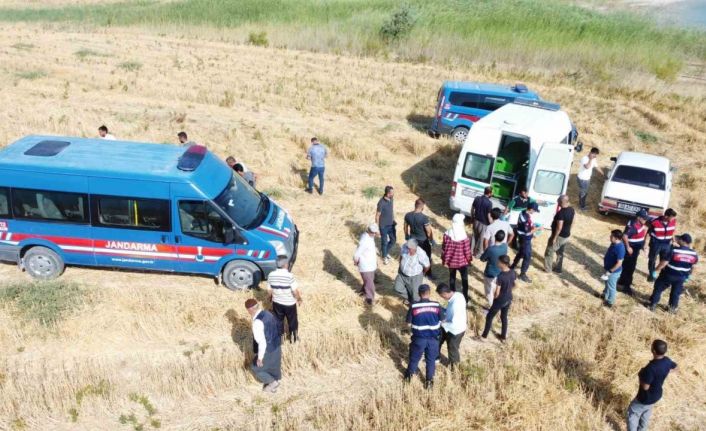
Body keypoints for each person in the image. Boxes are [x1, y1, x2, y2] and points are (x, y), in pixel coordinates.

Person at [626, 339, 678, 431]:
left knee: (632, 413)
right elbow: (676, 368)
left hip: (645, 398)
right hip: (656, 395)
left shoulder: (650, 368)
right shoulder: (667, 361)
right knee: (646, 413)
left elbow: (645, 387)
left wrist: (640, 375)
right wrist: (665, 372)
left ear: (653, 351)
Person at [403, 284, 443, 389]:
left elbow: (407, 324)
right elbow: (443, 320)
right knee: (430, 361)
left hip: (418, 339)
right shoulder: (437, 305)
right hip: (433, 339)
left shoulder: (414, 306)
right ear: (429, 293)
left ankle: (408, 378)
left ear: (418, 294)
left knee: (414, 359)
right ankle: (429, 382)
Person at [648, 234, 698, 314]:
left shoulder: (674, 251)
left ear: (682, 240)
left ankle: (653, 304)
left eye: (679, 239)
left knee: (658, 288)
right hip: (681, 277)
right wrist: (689, 275)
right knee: (676, 293)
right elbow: (693, 266)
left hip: (668, 274)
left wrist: (655, 270)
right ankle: (672, 309)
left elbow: (664, 263)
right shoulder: (694, 254)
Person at [245, 298, 282, 393]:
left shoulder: (257, 322)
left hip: (268, 349)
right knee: (273, 365)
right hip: (277, 345)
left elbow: (262, 342)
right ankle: (275, 380)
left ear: (250, 310)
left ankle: (272, 382)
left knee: (256, 368)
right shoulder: (268, 313)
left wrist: (260, 358)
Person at [266, 256, 301, 343]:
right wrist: (299, 299)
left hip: (277, 303)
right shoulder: (289, 276)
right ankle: (294, 339)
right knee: (292, 321)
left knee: (278, 321)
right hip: (289, 304)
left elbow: (269, 290)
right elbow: (295, 291)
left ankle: (280, 339)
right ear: (285, 264)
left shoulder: (271, 275)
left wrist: (270, 298)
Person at [480, 255, 515, 342]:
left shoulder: (500, 276)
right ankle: (503, 337)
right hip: (509, 297)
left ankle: (484, 337)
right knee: (504, 317)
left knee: (489, 317)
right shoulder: (512, 272)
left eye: (499, 262)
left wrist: (495, 298)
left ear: (503, 264)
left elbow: (497, 292)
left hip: (500, 300)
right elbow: (514, 285)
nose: (497, 263)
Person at [441, 213, 472, 302]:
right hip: (462, 263)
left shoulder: (447, 234)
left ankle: (452, 296)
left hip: (451, 262)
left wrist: (444, 259)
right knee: (464, 280)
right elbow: (467, 251)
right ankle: (465, 297)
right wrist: (469, 260)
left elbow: (444, 247)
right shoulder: (464, 236)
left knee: (452, 278)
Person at [618, 210, 649, 296]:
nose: (645, 220)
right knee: (630, 268)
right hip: (632, 249)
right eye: (644, 219)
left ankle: (622, 281)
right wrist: (628, 247)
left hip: (636, 248)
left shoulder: (639, 223)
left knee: (626, 265)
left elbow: (643, 231)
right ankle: (626, 287)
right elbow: (624, 236)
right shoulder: (633, 226)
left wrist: (644, 245)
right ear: (638, 218)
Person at [437, 283, 466, 368]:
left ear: (444, 294)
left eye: (442, 296)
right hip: (450, 326)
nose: (442, 298)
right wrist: (442, 309)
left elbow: (454, 323)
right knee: (438, 340)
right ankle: (435, 357)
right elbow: (449, 313)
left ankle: (455, 368)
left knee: (452, 349)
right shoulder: (458, 295)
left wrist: (442, 323)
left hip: (455, 330)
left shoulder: (455, 305)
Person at [404, 198, 435, 278]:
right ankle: (428, 274)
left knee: (412, 256)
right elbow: (428, 231)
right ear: (422, 207)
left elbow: (405, 227)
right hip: (423, 240)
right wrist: (431, 240)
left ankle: (414, 271)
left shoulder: (408, 215)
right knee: (427, 257)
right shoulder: (424, 218)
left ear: (415, 205)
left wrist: (406, 236)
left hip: (412, 239)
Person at [544, 194, 575, 274]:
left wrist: (554, 238)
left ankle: (548, 269)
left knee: (549, 251)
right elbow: (573, 221)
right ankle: (558, 269)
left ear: (561, 202)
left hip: (559, 236)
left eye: (558, 201)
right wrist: (569, 230)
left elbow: (559, 227)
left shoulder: (561, 213)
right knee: (560, 252)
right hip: (566, 236)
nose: (557, 202)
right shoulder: (571, 209)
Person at [394, 239, 430, 304]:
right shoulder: (405, 246)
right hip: (402, 274)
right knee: (397, 287)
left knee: (416, 296)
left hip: (415, 276)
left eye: (409, 248)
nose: (407, 249)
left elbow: (427, 266)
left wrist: (422, 273)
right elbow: (401, 256)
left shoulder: (421, 254)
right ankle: (409, 298)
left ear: (415, 248)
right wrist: (400, 267)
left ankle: (414, 306)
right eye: (407, 247)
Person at [511, 202, 540, 283]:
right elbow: (527, 232)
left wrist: (532, 226)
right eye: (534, 211)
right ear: (530, 209)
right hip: (525, 239)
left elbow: (527, 226)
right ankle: (522, 274)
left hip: (521, 237)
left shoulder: (523, 212)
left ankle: (513, 266)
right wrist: (538, 229)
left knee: (520, 253)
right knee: (527, 256)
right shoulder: (525, 219)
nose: (534, 212)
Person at [646, 208, 677, 282]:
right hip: (656, 244)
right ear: (666, 216)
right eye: (671, 217)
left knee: (664, 260)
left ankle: (661, 275)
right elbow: (648, 233)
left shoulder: (673, 221)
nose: (673, 219)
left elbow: (672, 231)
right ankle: (651, 274)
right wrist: (645, 244)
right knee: (652, 259)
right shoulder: (655, 222)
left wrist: (673, 240)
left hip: (667, 244)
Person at [480, 230, 508, 307]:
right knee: (497, 290)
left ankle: (491, 306)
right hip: (500, 272)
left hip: (490, 273)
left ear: (494, 236)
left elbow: (482, 259)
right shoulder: (505, 246)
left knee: (489, 292)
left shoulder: (490, 249)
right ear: (503, 238)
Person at [354, 223, 379, 305]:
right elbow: (357, 253)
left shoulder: (370, 237)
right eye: (374, 233)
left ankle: (362, 293)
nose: (375, 234)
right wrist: (356, 261)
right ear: (370, 231)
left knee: (368, 281)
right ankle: (369, 300)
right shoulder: (364, 240)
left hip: (371, 264)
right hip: (365, 266)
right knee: (370, 284)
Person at [599, 230, 626, 308]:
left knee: (611, 287)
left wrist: (610, 271)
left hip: (613, 272)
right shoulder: (613, 243)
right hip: (608, 269)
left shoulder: (620, 248)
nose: (610, 237)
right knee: (607, 284)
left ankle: (610, 302)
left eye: (611, 236)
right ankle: (605, 296)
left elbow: (619, 263)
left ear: (616, 238)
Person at [470, 187, 493, 257]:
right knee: (481, 239)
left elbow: (472, 209)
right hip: (483, 224)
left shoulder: (477, 198)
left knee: (474, 236)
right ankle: (477, 254)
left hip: (476, 221)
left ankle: (470, 251)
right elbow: (488, 215)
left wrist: (472, 217)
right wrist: (492, 223)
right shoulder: (489, 203)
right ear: (489, 193)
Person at [376, 186, 396, 265]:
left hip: (391, 225)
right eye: (392, 193)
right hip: (383, 226)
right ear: (388, 194)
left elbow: (391, 210)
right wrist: (377, 228)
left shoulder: (391, 199)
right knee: (384, 242)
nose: (393, 194)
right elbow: (377, 215)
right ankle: (384, 257)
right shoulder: (381, 203)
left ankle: (384, 252)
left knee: (393, 240)